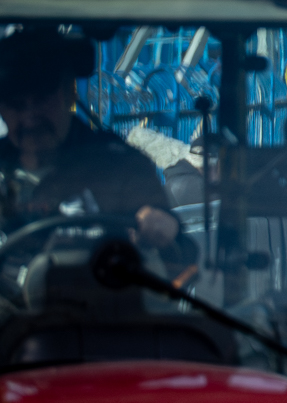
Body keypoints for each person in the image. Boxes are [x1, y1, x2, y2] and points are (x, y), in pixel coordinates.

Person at [0, 30, 176, 249]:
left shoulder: (119, 167)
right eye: (16, 105)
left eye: (42, 100)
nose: (30, 118)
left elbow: (180, 253)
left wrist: (162, 225)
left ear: (70, 94)